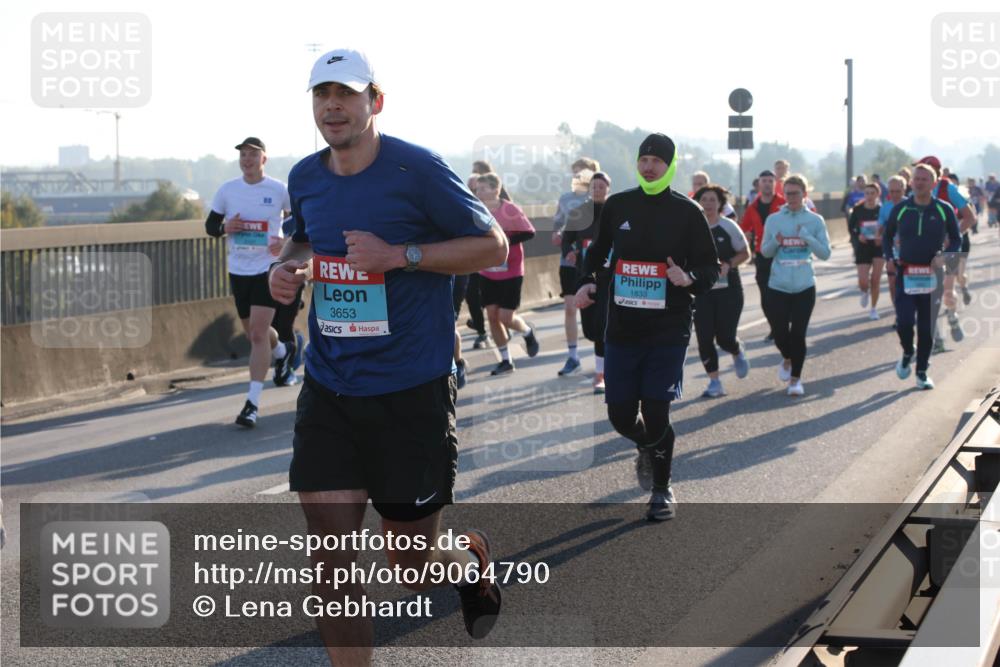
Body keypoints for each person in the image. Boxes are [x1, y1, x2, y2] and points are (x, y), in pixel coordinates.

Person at [269, 48, 509, 664]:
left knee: (413, 567)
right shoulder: (305, 175)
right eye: (322, 95)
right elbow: (304, 235)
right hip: (330, 385)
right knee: (330, 562)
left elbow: (492, 245)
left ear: (375, 101)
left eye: (346, 94)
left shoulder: (419, 170)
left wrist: (400, 256)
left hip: (410, 390)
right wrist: (288, 267)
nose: (332, 106)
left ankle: (467, 559)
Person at [575, 133, 719, 521]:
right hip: (622, 327)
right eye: (644, 160)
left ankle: (662, 488)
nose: (649, 166)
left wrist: (687, 277)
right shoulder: (619, 205)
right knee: (621, 416)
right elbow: (597, 253)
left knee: (657, 411)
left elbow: (710, 268)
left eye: (657, 160)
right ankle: (646, 446)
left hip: (668, 328)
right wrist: (588, 280)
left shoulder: (687, 212)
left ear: (670, 165)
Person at [205, 136, 291, 427]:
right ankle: (283, 351)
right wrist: (225, 227)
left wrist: (287, 243)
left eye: (253, 155)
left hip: (268, 269)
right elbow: (210, 226)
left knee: (256, 334)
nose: (247, 160)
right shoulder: (228, 190)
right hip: (238, 269)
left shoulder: (279, 190)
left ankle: (252, 404)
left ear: (264, 159)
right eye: (243, 155)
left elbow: (298, 223)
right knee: (256, 333)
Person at [881, 162, 962, 390]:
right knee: (904, 323)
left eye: (924, 179)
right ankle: (908, 351)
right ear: (911, 181)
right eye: (916, 179)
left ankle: (922, 373)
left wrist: (945, 256)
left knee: (926, 329)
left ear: (933, 183)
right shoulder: (902, 208)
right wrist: (889, 256)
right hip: (906, 273)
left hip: (932, 275)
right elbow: (887, 236)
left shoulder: (943, 209)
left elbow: (956, 239)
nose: (919, 183)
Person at [759, 175, 831, 396]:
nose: (791, 197)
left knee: (798, 335)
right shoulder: (774, 220)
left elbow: (825, 254)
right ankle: (787, 358)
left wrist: (807, 237)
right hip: (778, 285)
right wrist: (776, 241)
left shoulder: (815, 221)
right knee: (780, 334)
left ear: (804, 194)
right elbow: (765, 251)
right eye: (787, 193)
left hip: (804, 286)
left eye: (795, 193)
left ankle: (795, 380)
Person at [475, 172, 539, 375]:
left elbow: (529, 232)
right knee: (492, 316)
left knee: (505, 316)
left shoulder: (509, 209)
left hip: (511, 271)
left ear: (495, 189)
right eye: (477, 189)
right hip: (487, 270)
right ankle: (506, 360)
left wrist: (504, 241)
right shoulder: (476, 210)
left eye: (483, 188)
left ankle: (527, 332)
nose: (479, 192)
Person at [693, 184, 751, 398]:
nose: (708, 204)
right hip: (701, 292)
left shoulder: (728, 226)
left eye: (712, 200)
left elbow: (746, 253)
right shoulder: (692, 228)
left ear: (720, 204)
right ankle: (714, 382)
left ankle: (736, 350)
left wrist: (729, 264)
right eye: (704, 199)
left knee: (725, 337)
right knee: (704, 338)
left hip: (729, 290)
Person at [564, 171, 611, 390]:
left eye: (602, 187)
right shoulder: (578, 213)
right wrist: (571, 251)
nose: (598, 190)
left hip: (610, 277)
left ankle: (601, 374)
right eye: (594, 186)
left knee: (605, 327)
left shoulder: (616, 212)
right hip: (585, 275)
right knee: (592, 329)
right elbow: (568, 239)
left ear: (608, 189)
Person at [553, 159, 598, 375]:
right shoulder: (565, 199)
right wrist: (558, 234)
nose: (578, 176)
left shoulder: (600, 201)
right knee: (570, 308)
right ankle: (573, 357)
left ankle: (605, 357)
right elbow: (557, 223)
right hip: (569, 263)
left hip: (594, 266)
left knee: (596, 311)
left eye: (583, 173)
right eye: (575, 173)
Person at [740, 169, 786, 342]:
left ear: (775, 184)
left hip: (782, 255)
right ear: (759, 184)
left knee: (781, 293)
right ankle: (775, 327)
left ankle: (781, 325)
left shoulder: (784, 204)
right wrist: (746, 235)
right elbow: (743, 228)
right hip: (762, 255)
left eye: (770, 181)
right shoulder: (753, 207)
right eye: (764, 181)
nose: (767, 184)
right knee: (766, 297)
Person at [848, 182, 885, 320]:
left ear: (878, 194)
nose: (869, 196)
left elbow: (888, 227)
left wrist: (881, 236)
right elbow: (852, 228)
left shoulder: (882, 210)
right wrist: (858, 235)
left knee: (875, 279)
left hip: (878, 246)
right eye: (867, 193)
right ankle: (864, 291)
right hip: (863, 246)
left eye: (872, 193)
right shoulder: (858, 210)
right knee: (863, 281)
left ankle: (874, 309)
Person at [879, 175, 908, 325]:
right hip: (893, 252)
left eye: (898, 191)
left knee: (910, 285)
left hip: (911, 254)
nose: (895, 194)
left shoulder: (912, 205)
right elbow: (881, 229)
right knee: (892, 283)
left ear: (904, 189)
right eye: (891, 191)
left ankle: (911, 313)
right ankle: (899, 315)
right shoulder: (886, 207)